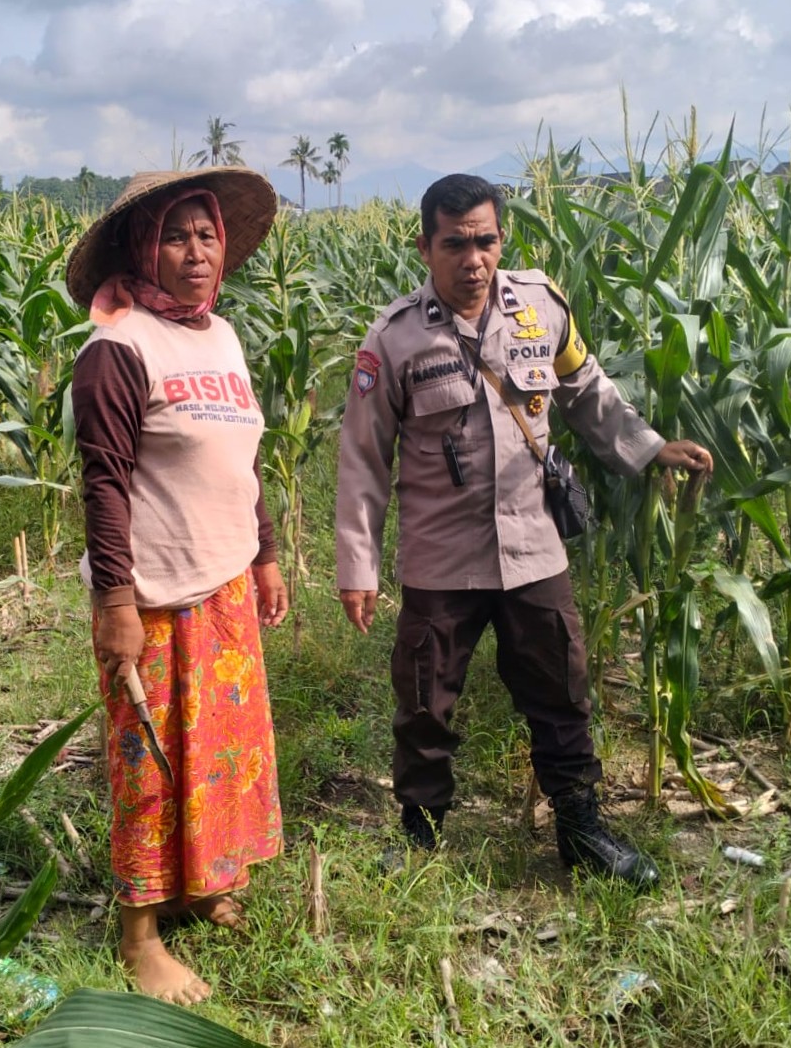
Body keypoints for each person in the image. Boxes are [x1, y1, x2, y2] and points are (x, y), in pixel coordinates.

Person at [335, 173, 713, 888]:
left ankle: (580, 829)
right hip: (441, 557)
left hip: (531, 546)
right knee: (424, 698)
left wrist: (649, 446)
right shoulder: (393, 339)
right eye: (454, 243)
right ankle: (419, 834)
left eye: (484, 240)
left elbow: (586, 390)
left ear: (499, 238)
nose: (472, 258)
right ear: (425, 247)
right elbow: (361, 459)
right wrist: (358, 566)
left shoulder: (539, 307)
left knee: (560, 688)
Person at [67, 167, 287, 1004]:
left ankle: (201, 884)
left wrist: (263, 551)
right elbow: (104, 485)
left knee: (221, 750)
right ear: (140, 246)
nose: (195, 253)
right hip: (153, 595)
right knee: (149, 763)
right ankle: (140, 936)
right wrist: (113, 603)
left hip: (223, 580)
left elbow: (243, 456)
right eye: (174, 236)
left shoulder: (218, 336)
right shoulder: (117, 348)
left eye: (205, 235)